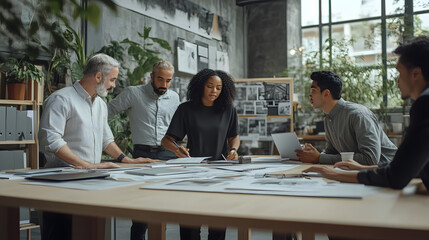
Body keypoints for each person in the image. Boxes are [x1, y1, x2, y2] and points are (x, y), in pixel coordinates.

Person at [38, 53, 157, 240]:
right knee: (60, 234)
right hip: (62, 182)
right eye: (112, 79)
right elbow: (51, 140)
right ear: (99, 77)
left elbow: (106, 140)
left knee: (89, 233)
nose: (114, 85)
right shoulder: (61, 99)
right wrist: (88, 166)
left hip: (90, 181)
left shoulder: (100, 104)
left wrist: (127, 160)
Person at [303, 36, 429, 192]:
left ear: (415, 74)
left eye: (399, 72)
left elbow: (396, 176)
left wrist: (333, 174)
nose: (397, 80)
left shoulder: (424, 104)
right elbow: (410, 167)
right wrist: (361, 169)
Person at [161, 68, 240, 240]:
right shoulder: (186, 109)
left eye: (218, 88)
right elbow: (167, 140)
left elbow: (234, 136)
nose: (214, 91)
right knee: (190, 224)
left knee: (218, 224)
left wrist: (233, 149)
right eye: (210, 86)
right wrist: (176, 149)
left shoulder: (228, 110)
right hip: (192, 172)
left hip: (220, 172)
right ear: (200, 86)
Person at [108, 60, 180, 240]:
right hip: (142, 154)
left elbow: (177, 127)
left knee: (165, 207)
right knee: (141, 211)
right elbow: (106, 112)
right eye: (160, 79)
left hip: (168, 155)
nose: (164, 85)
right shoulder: (134, 93)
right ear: (152, 77)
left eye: (168, 81)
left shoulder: (174, 97)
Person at [295, 71, 397, 166]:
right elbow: (332, 152)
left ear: (326, 93)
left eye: (313, 90)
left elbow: (370, 159)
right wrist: (312, 155)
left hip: (389, 172)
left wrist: (319, 158)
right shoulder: (328, 116)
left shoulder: (358, 115)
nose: (310, 94)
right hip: (360, 173)